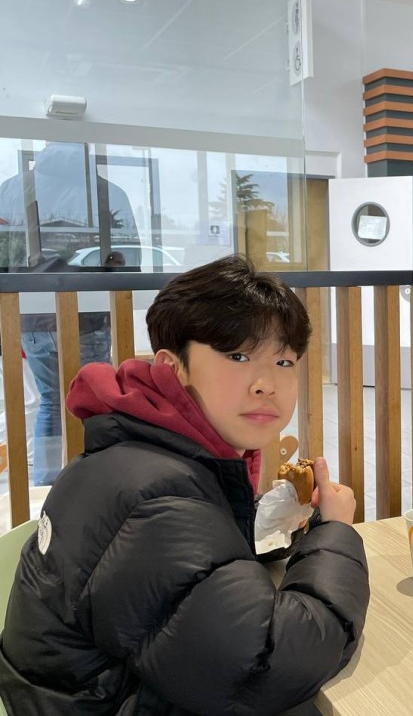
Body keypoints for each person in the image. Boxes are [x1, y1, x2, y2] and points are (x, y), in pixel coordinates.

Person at [0, 256, 370, 713]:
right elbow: (267, 668)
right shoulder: (157, 499)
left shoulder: (145, 448)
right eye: (237, 356)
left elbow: (192, 574)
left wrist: (281, 525)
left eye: (283, 360)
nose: (267, 384)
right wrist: (337, 533)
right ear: (173, 367)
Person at [0, 141, 139, 485]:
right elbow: (130, 257)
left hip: (31, 317)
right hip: (89, 317)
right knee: (92, 398)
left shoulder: (12, 189)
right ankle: (94, 482)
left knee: (50, 401)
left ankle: (46, 487)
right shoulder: (107, 192)